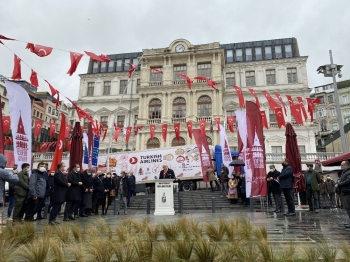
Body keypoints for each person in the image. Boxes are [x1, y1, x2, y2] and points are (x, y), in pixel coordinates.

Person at [335, 161, 350, 228]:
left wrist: (339, 184)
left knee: (348, 208)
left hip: (348, 192)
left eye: (342, 165)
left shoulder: (348, 172)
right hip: (344, 192)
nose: (341, 167)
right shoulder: (344, 173)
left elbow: (348, 180)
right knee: (347, 208)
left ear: (347, 165)